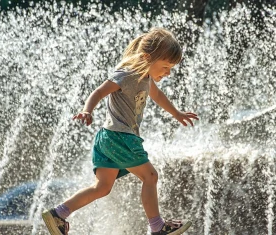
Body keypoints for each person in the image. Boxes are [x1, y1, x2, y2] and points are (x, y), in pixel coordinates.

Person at [42, 27, 198, 235]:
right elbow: (99, 91)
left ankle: (59, 214)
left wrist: (176, 113)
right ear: (147, 57)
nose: (168, 72)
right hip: (121, 137)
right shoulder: (128, 75)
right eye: (166, 66)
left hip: (108, 139)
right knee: (150, 176)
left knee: (102, 188)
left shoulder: (146, 78)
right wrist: (87, 110)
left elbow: (158, 97)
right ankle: (157, 227)